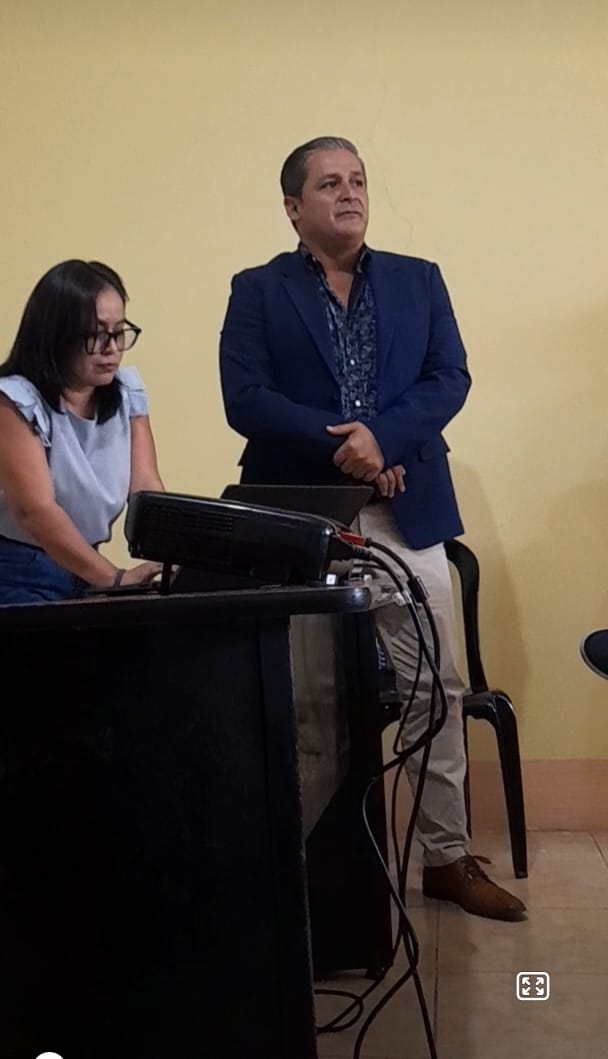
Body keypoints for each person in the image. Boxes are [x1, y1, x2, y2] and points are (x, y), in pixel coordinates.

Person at [219, 136, 526, 921]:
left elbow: (449, 377)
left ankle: (446, 857)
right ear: (294, 207)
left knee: (435, 682)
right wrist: (350, 446)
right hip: (304, 514)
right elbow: (245, 397)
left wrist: (383, 440)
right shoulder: (257, 290)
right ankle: (303, 866)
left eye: (357, 180)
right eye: (329, 183)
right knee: (306, 691)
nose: (350, 193)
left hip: (405, 509)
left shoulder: (419, 281)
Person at [0, 259, 164, 605]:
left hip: (83, 564)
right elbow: (35, 510)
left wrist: (173, 557)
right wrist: (114, 579)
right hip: (9, 569)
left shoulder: (126, 393)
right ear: (55, 335)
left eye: (118, 332)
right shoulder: (11, 402)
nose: (112, 348)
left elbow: (145, 487)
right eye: (96, 334)